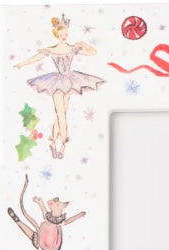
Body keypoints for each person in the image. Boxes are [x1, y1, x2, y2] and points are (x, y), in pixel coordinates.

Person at [14, 14, 105, 159]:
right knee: (61, 115)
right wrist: (22, 64)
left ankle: (53, 143)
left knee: (60, 115)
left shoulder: (72, 48)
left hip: (69, 82)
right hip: (56, 83)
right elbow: (36, 58)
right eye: (62, 34)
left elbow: (93, 52)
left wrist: (83, 43)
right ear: (57, 34)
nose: (64, 36)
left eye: (66, 34)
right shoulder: (51, 50)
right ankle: (63, 144)